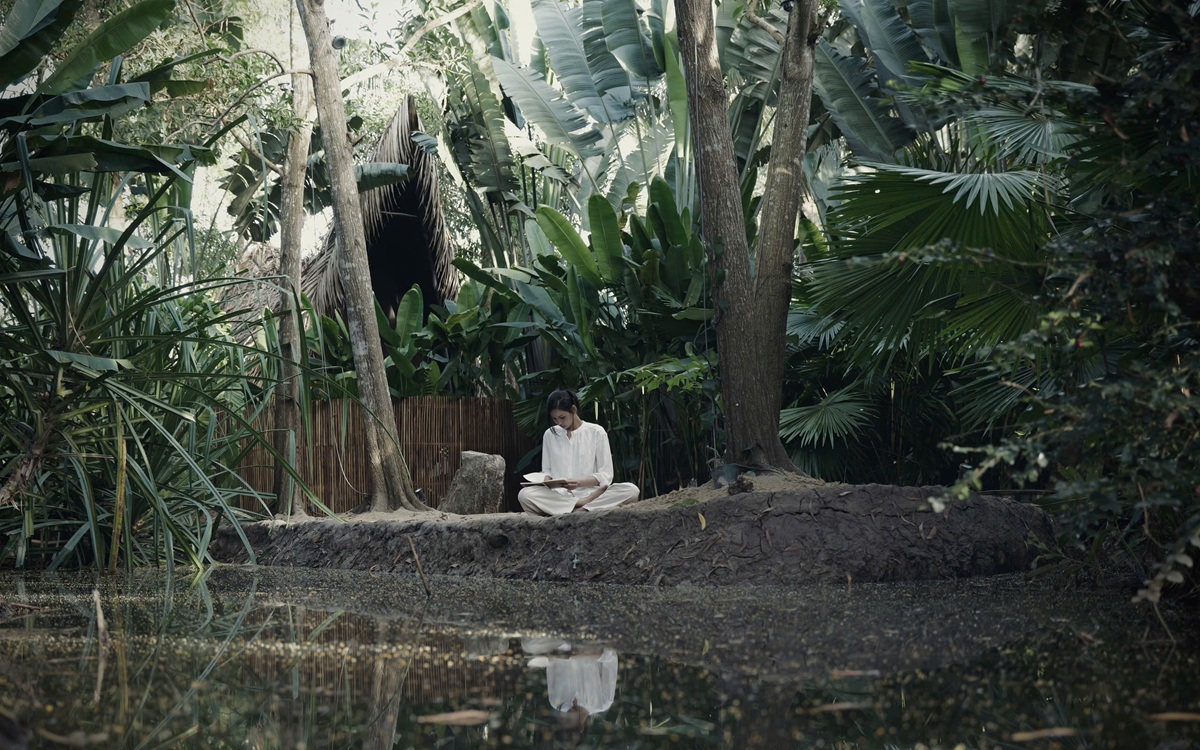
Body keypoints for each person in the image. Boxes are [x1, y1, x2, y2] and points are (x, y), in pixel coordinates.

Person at [517, 388, 639, 515]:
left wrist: (579, 483)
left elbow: (606, 475)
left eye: (562, 417)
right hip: (560, 496)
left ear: (573, 410)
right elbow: (547, 471)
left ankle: (573, 509)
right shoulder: (550, 434)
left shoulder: (596, 432)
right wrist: (546, 480)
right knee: (525, 495)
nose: (559, 422)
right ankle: (581, 505)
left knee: (631, 490)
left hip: (592, 493)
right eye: (554, 419)